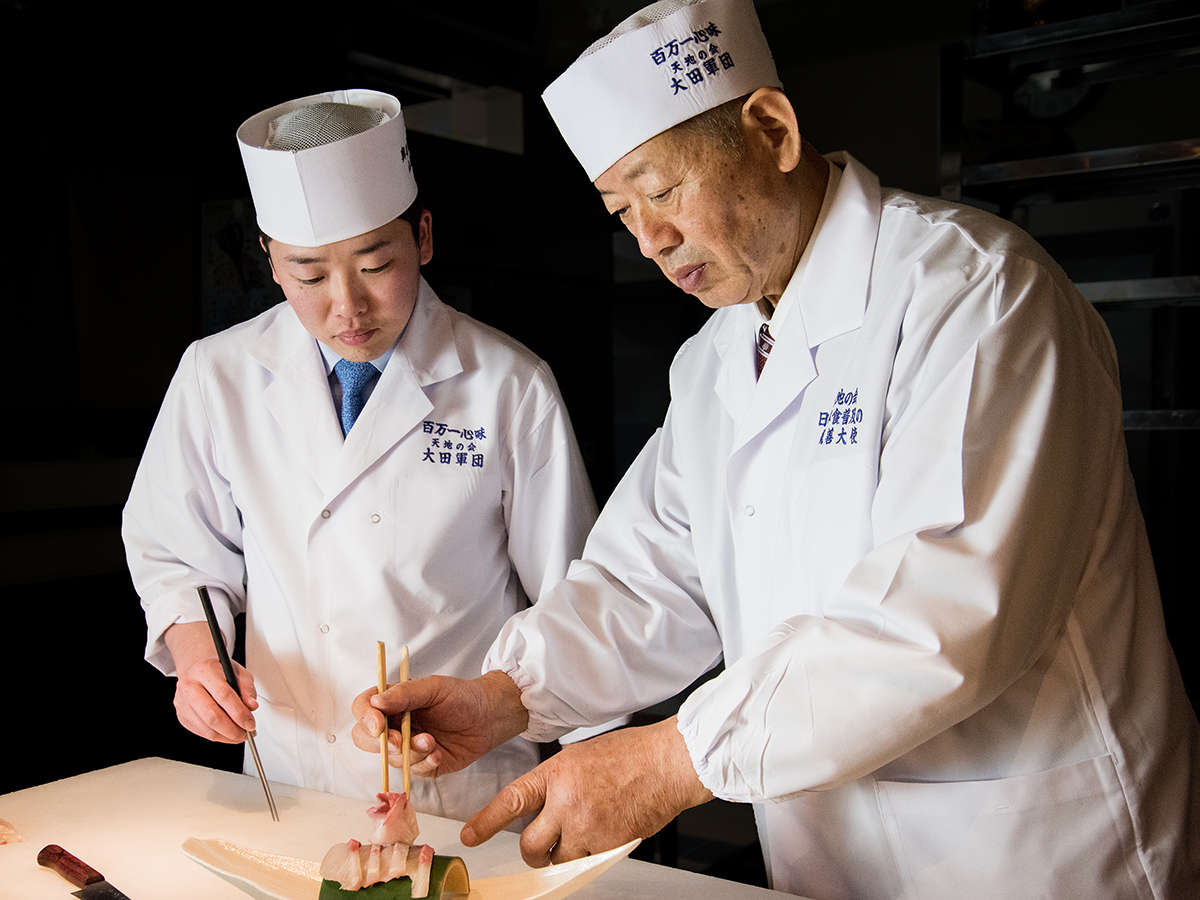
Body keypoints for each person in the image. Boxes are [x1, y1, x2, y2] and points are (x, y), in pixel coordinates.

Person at [352, 2, 1200, 897]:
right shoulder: (715, 359)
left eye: (664, 189)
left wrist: (672, 759)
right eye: (620, 209)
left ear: (771, 130)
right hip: (827, 853)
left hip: (1025, 852)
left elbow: (942, 613)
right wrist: (507, 696)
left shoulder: (977, 297)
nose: (649, 239)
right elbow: (650, 578)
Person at [122, 89, 597, 822]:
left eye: (376, 265)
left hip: (459, 791)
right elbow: (175, 553)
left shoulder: (510, 385)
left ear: (424, 238)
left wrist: (574, 751)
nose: (347, 308)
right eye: (309, 276)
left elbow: (576, 602)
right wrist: (197, 659)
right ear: (269, 260)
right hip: (286, 774)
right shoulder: (217, 374)